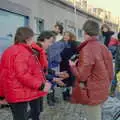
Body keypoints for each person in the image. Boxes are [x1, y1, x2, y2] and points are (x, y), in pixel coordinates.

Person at [0, 27, 51, 120]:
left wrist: (2, 95)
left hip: (12, 91)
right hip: (19, 91)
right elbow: (22, 75)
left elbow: (3, 74)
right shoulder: (22, 52)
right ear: (28, 38)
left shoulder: (8, 50)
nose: (33, 41)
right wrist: (41, 85)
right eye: (32, 38)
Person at [69, 20, 113, 120]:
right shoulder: (103, 47)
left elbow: (82, 75)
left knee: (93, 116)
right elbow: (110, 72)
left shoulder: (87, 49)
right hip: (102, 88)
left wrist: (73, 66)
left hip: (92, 92)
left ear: (85, 32)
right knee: (98, 114)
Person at [32, 31, 69, 106]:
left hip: (38, 86)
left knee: (38, 110)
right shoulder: (35, 52)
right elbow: (37, 72)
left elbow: (43, 69)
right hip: (33, 87)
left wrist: (56, 73)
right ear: (44, 39)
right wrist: (54, 79)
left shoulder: (40, 51)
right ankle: (50, 99)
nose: (51, 45)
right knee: (35, 111)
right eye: (50, 42)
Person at [60, 31, 79, 100]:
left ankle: (69, 94)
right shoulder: (61, 43)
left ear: (70, 37)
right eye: (64, 35)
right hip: (62, 64)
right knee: (64, 79)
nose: (65, 36)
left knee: (70, 80)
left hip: (70, 64)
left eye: (67, 35)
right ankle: (65, 94)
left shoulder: (73, 43)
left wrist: (72, 59)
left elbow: (77, 53)